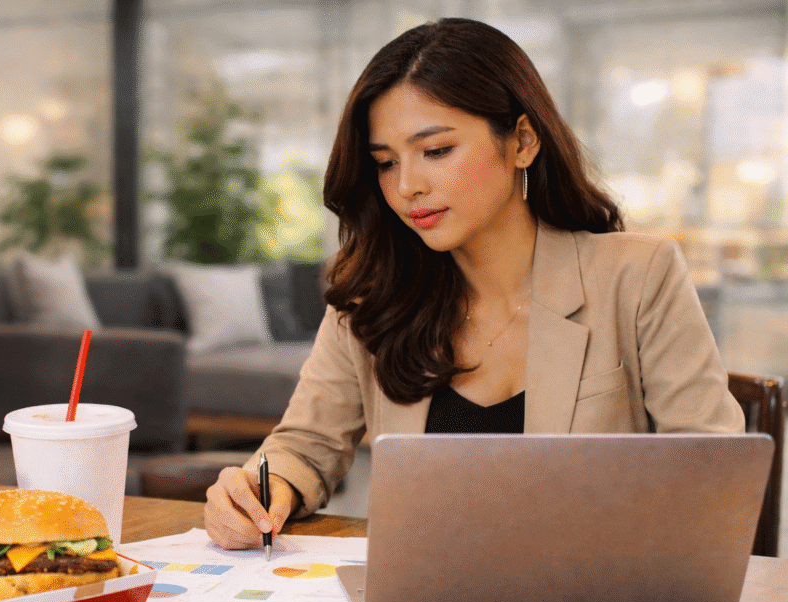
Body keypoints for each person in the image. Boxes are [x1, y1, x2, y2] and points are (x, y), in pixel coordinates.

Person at [204, 17, 745, 550]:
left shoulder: (637, 275)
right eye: (386, 163)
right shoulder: (373, 297)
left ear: (523, 142)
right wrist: (256, 489)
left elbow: (712, 469)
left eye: (436, 151)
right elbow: (306, 445)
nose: (408, 186)